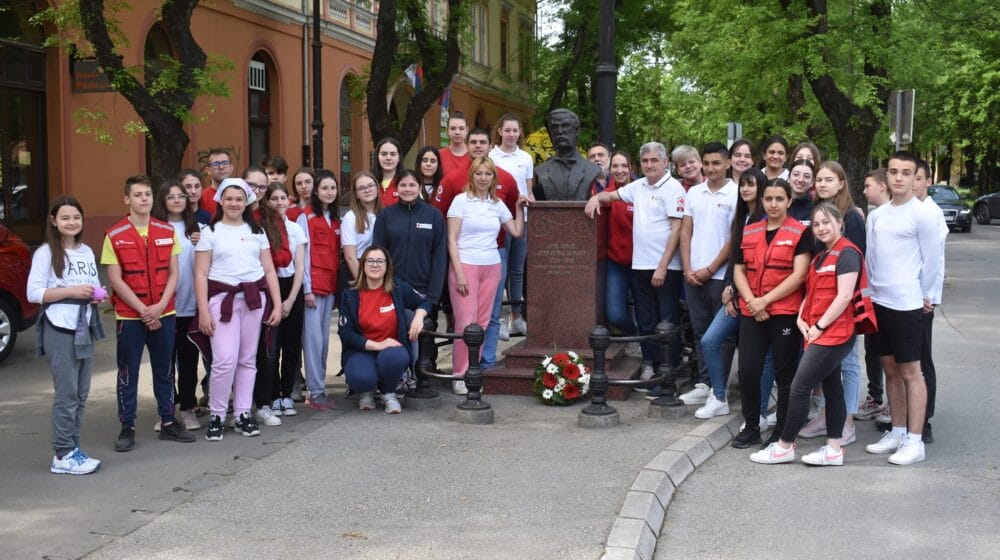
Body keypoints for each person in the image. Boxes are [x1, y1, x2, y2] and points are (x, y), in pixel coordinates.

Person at [750, 202, 863, 465]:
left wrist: (819, 326)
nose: (822, 228)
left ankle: (784, 446)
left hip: (835, 333)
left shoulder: (847, 253)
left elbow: (844, 296)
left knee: (800, 387)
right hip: (817, 331)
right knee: (833, 387)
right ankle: (834, 449)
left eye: (827, 222)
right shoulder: (822, 254)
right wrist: (802, 318)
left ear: (839, 223)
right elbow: (812, 293)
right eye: (817, 224)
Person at [102, 175, 195, 451]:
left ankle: (168, 422)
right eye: (139, 195)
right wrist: (144, 310)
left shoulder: (167, 231)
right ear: (127, 200)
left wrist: (159, 306)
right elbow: (115, 280)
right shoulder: (115, 235)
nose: (144, 199)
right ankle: (126, 426)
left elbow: (174, 273)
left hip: (164, 312)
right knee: (128, 372)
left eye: (148, 194)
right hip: (131, 316)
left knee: (164, 370)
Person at [863, 151, 942, 465]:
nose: (898, 177)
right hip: (880, 301)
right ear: (887, 177)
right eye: (894, 172)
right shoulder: (877, 215)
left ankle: (915, 440)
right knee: (890, 369)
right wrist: (868, 294)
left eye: (905, 172)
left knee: (912, 371)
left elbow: (932, 259)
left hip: (908, 304)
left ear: (915, 177)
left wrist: (928, 295)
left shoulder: (922, 214)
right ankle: (896, 430)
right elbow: (871, 258)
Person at [585, 142, 685, 382]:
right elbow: (611, 195)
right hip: (639, 266)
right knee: (647, 321)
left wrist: (662, 266)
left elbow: (677, 230)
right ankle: (651, 368)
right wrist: (596, 198)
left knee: (666, 322)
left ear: (664, 163)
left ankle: (668, 373)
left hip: (665, 268)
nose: (649, 165)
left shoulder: (674, 188)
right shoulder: (638, 186)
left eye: (654, 161)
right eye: (646, 161)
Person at [195, 178, 283, 440]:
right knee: (223, 360)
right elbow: (201, 273)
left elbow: (268, 270)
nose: (234, 203)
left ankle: (243, 412)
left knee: (247, 359)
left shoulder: (257, 232)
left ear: (246, 202)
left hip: (254, 301)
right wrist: (203, 310)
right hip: (222, 301)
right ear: (220, 200)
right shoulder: (210, 232)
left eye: (239, 199)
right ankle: (217, 414)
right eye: (229, 198)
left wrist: (277, 304)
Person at [730, 178, 811, 449]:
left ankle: (781, 433)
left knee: (785, 374)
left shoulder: (800, 232)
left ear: (789, 201)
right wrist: (753, 301)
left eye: (779, 199)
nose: (773, 204)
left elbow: (799, 275)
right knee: (748, 371)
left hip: (784, 312)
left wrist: (764, 301)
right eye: (768, 199)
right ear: (762, 201)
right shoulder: (750, 230)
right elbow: (739, 269)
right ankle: (752, 426)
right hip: (752, 309)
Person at [28, 197, 107, 474]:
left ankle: (73, 449)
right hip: (59, 327)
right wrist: (71, 292)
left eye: (76, 217)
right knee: (66, 394)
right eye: (65, 218)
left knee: (82, 393)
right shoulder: (45, 254)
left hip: (83, 327)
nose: (72, 222)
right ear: (53, 221)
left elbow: (93, 285)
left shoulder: (86, 251)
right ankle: (62, 453)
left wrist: (97, 295)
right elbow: (34, 293)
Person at [797, 161, 867, 442]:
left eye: (829, 179)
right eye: (820, 180)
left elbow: (858, 259)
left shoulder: (851, 216)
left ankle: (846, 421)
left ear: (841, 183)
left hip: (843, 303)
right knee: (829, 368)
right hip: (820, 302)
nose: (823, 184)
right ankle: (827, 418)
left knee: (848, 363)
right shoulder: (820, 213)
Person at [447, 157, 526, 394]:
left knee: (482, 322)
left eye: (488, 174)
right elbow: (451, 239)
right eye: (479, 174)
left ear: (494, 178)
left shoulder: (497, 203)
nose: (483, 178)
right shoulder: (461, 201)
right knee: (466, 322)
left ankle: (475, 369)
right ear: (472, 176)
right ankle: (460, 374)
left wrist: (520, 209)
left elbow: (516, 231)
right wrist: (459, 272)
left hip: (491, 265)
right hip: (466, 265)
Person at [694, 168, 768, 420]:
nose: (746, 189)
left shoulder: (764, 219)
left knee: (756, 359)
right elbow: (736, 258)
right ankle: (718, 396)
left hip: (756, 298)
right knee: (709, 341)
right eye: (743, 185)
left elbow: (756, 264)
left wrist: (736, 291)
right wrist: (728, 287)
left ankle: (760, 410)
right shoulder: (741, 216)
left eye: (751, 184)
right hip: (734, 292)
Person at [338, 246, 433, 413]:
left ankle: (388, 391)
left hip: (392, 349)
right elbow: (346, 334)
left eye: (380, 261)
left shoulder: (397, 288)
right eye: (371, 261)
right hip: (362, 349)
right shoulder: (350, 294)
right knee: (361, 377)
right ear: (363, 265)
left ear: (387, 265)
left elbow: (425, 302)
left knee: (394, 357)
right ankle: (366, 391)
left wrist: (418, 316)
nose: (375, 265)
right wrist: (377, 345)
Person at [679, 142, 738, 406]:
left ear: (728, 163)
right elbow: (685, 231)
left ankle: (719, 386)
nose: (711, 168)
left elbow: (733, 238)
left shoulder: (736, 193)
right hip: (693, 274)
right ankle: (705, 382)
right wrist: (688, 268)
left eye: (717, 163)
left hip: (718, 275)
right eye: (707, 163)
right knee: (700, 331)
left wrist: (711, 268)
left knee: (721, 336)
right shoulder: (694, 193)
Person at [151, 180, 204, 432]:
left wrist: (202, 243)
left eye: (180, 196)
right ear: (162, 200)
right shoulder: (154, 229)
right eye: (170, 196)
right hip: (163, 306)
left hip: (190, 305)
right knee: (164, 362)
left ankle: (188, 408)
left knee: (188, 360)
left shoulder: (199, 229)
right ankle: (167, 409)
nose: (176, 200)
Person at [252, 181, 305, 426]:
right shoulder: (262, 228)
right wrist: (277, 301)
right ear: (267, 202)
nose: (279, 203)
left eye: (283, 198)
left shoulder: (295, 229)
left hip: (292, 287)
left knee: (292, 345)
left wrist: (292, 299)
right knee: (271, 346)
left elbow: (300, 267)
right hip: (270, 287)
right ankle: (272, 395)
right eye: (274, 199)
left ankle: (286, 394)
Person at [296, 169, 341, 409]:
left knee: (323, 341)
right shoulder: (306, 217)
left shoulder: (334, 219)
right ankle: (315, 391)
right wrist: (307, 289)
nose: (329, 192)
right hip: (313, 290)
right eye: (324, 188)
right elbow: (303, 256)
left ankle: (320, 387)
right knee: (312, 341)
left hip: (329, 288)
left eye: (333, 188)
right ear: (316, 191)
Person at [911, 158, 947, 443]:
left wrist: (927, 296)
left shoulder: (930, 213)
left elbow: (933, 262)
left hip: (922, 299)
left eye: (918, 178)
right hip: (906, 298)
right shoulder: (911, 210)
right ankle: (910, 416)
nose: (912, 182)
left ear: (927, 182)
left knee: (922, 360)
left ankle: (925, 421)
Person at [490, 113, 535, 337]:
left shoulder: (526, 158)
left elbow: (528, 190)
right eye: (507, 130)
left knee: (517, 269)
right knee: (501, 269)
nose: (511, 134)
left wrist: (532, 206)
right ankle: (497, 318)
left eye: (515, 131)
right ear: (500, 131)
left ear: (520, 133)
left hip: (522, 219)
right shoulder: (491, 156)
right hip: (498, 220)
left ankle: (517, 316)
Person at [856, 168, 891, 422]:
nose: (865, 190)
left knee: (892, 354)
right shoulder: (872, 215)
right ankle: (876, 397)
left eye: (869, 185)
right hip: (873, 293)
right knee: (872, 349)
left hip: (893, 295)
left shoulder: (891, 215)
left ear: (882, 185)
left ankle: (891, 400)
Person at [602, 151, 638, 342]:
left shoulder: (641, 192)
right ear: (610, 169)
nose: (620, 170)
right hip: (616, 262)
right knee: (615, 314)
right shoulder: (605, 195)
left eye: (624, 166)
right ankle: (634, 334)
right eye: (615, 166)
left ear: (631, 168)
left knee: (646, 313)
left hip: (641, 263)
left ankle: (646, 351)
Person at [533, 109, 601, 201]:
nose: (560, 131)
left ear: (577, 131)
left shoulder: (592, 169)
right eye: (555, 127)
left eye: (565, 126)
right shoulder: (541, 170)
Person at [342, 170, 381, 280]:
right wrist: (363, 283)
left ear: (377, 188)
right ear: (356, 194)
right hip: (356, 271)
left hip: (378, 268)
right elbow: (350, 257)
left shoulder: (384, 214)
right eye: (361, 188)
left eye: (370, 186)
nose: (367, 190)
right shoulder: (350, 217)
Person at [199, 148, 233, 216]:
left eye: (225, 163)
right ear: (208, 170)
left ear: (231, 168)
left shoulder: (240, 195)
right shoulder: (201, 197)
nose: (221, 167)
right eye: (216, 164)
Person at [439, 111, 470, 177]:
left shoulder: (474, 155)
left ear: (467, 131)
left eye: (461, 129)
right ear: (447, 130)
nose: (457, 132)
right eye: (453, 128)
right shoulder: (439, 156)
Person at [374, 137, 402, 207]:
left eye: (393, 154)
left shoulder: (408, 183)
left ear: (399, 158)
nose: (388, 158)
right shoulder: (370, 184)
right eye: (384, 154)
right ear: (377, 157)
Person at [787, 159, 815, 225]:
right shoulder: (777, 204)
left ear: (812, 182)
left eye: (806, 176)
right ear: (788, 177)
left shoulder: (816, 210)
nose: (800, 179)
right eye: (796, 174)